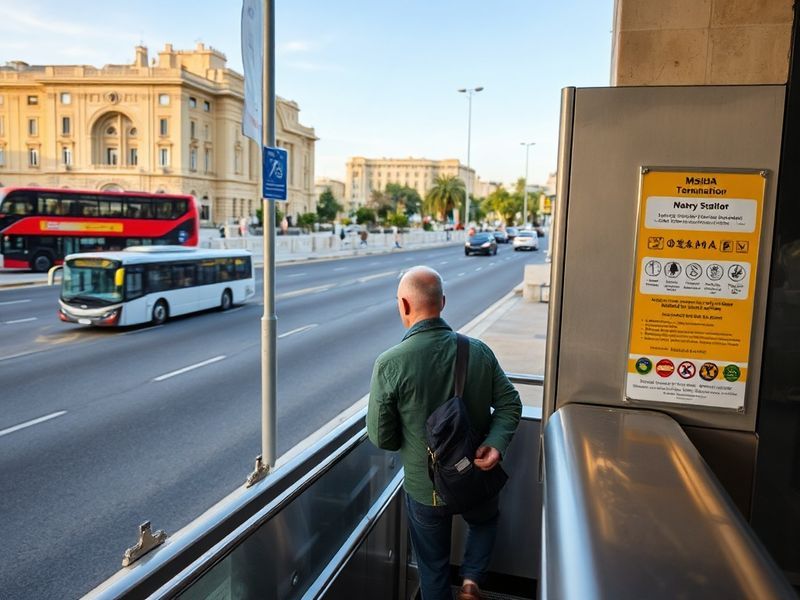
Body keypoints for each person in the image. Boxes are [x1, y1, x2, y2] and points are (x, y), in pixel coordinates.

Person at [367, 266, 521, 600]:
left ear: (405, 306)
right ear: (443, 302)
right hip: (477, 477)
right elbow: (510, 403)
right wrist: (494, 445)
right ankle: (470, 581)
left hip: (426, 490)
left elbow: (381, 437)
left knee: (432, 566)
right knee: (483, 522)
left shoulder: (390, 363)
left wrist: (410, 442)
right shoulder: (477, 351)